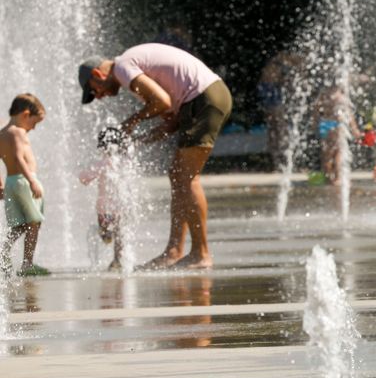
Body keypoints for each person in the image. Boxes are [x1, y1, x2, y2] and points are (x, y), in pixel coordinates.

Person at [78, 43, 232, 270]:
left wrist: (129, 124)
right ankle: (174, 251)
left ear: (97, 74)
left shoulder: (122, 67)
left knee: (187, 177)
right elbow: (170, 122)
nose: (98, 97)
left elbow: (162, 102)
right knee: (178, 174)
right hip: (205, 97)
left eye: (94, 90)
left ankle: (201, 253)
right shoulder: (132, 66)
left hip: (204, 98)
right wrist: (135, 142)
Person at [0, 93, 48, 276]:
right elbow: (20, 159)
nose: (33, 128)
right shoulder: (18, 132)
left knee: (19, 225)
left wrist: (0, 184)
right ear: (25, 115)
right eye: (35, 123)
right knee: (34, 223)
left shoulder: (2, 133)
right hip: (24, 181)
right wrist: (32, 180)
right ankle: (27, 265)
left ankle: (3, 255)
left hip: (12, 182)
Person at [78, 127, 128, 271]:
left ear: (101, 146)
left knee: (105, 230)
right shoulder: (123, 162)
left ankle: (105, 234)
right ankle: (117, 260)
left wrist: (81, 174)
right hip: (121, 204)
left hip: (103, 207)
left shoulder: (101, 163)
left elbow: (84, 178)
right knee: (120, 231)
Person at [314, 85, 363, 185]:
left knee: (326, 152)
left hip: (324, 123)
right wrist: (354, 129)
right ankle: (338, 177)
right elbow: (349, 114)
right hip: (337, 124)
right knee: (338, 151)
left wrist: (315, 123)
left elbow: (316, 110)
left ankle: (328, 176)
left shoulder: (323, 95)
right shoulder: (340, 96)